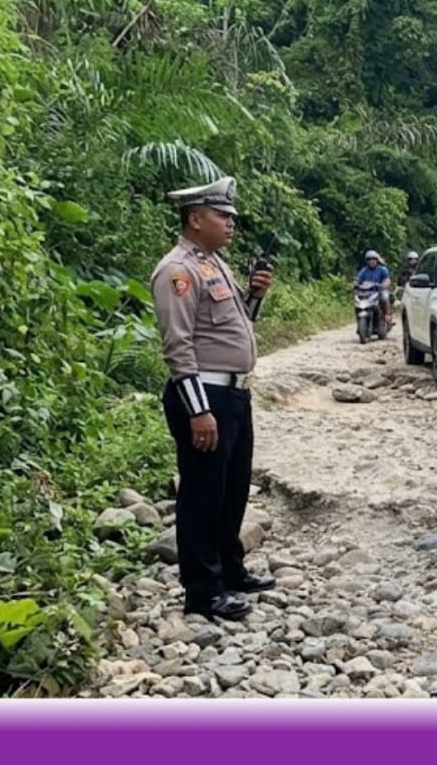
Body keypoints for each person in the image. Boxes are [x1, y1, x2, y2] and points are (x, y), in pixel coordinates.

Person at [149, 176, 278, 621]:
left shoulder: (215, 263)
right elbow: (178, 345)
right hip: (205, 396)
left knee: (232, 488)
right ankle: (203, 591)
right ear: (195, 219)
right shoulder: (177, 271)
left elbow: (236, 323)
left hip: (233, 394)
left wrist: (254, 296)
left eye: (231, 217)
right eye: (222, 216)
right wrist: (198, 410)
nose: (230, 223)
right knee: (203, 494)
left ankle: (230, 570)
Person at [356, 250, 391, 323]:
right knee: (357, 302)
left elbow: (387, 279)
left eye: (373, 259)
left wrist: (385, 284)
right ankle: (359, 319)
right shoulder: (363, 271)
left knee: (385, 297)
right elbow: (358, 280)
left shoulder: (382, 269)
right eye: (369, 259)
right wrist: (355, 284)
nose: (371, 261)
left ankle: (387, 315)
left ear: (377, 260)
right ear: (367, 261)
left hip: (379, 291)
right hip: (366, 293)